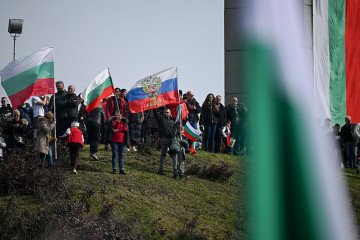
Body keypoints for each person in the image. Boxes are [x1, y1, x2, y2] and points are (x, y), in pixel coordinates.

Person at [154, 107, 176, 175]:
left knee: (174, 156)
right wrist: (154, 106)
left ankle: (175, 172)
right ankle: (161, 171)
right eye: (165, 112)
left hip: (172, 140)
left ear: (170, 113)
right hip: (164, 139)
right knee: (163, 155)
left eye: (167, 112)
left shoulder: (173, 122)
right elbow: (155, 114)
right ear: (163, 113)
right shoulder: (161, 119)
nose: (166, 113)